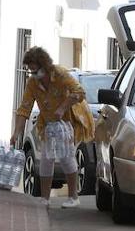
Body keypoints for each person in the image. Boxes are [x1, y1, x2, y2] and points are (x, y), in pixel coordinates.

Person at [10, 46, 96, 208]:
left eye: (36, 71)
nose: (34, 75)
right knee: (46, 159)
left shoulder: (61, 75)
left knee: (66, 157)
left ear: (45, 66)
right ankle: (45, 199)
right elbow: (25, 108)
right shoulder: (32, 84)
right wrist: (16, 133)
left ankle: (73, 197)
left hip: (67, 122)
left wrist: (63, 107)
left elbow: (79, 93)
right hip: (48, 124)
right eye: (31, 72)